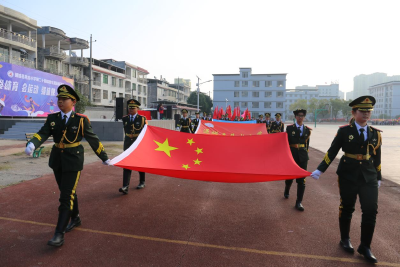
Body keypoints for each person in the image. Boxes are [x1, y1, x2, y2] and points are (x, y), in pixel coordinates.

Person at [25, 85, 111, 247]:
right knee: (68, 192)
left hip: (73, 160)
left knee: (65, 197)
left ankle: (59, 233)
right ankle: (76, 217)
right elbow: (43, 133)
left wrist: (104, 157)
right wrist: (33, 143)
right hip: (57, 159)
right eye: (59, 99)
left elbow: (93, 139)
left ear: (73, 102)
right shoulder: (53, 118)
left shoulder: (81, 120)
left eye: (64, 99)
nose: (60, 102)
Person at [310, 96, 382, 263]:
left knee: (370, 210)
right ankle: (345, 239)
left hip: (368, 176)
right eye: (362, 111)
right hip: (348, 174)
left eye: (368, 111)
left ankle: (365, 246)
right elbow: (332, 151)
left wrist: (378, 176)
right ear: (354, 112)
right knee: (347, 207)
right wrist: (320, 169)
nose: (366, 114)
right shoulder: (344, 131)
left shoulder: (376, 134)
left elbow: (377, 158)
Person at [284, 109, 312, 211]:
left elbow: (307, 144)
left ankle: (299, 202)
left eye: (302, 116)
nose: (300, 117)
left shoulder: (307, 130)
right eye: (298, 115)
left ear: (304, 117)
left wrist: (305, 154)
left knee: (302, 180)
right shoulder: (290, 128)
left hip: (303, 157)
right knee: (290, 177)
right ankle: (287, 188)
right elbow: (285, 143)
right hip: (292, 155)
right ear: (295, 117)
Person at [120, 99, 148, 194]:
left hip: (138, 143)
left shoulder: (142, 119)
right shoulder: (125, 119)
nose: (131, 110)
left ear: (137, 108)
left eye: (133, 108)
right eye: (130, 108)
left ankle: (142, 182)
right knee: (127, 164)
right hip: (128, 143)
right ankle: (125, 186)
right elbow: (126, 131)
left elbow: (146, 132)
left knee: (139, 163)